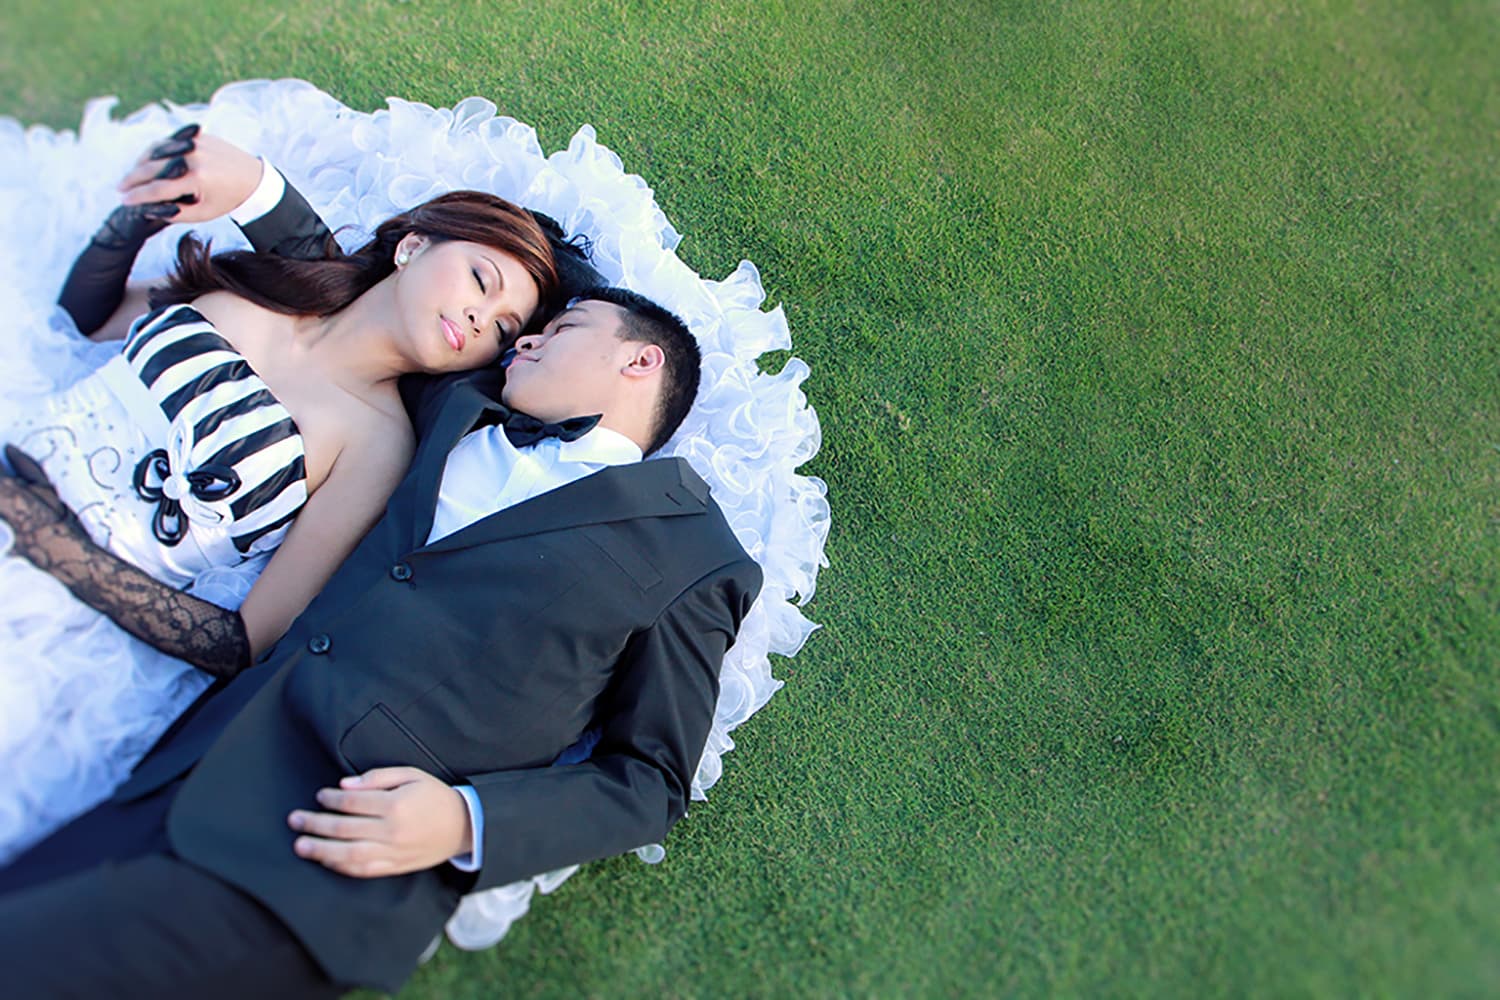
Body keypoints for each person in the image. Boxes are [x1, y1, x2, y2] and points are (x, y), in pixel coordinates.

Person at [0, 141, 763, 997]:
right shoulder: (454, 404)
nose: (517, 342)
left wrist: (463, 820)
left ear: (639, 359)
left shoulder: (696, 556)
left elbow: (651, 781)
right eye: (510, 323)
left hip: (321, 854)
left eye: (548, 330)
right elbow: (363, 297)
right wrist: (254, 185)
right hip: (182, 777)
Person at [0, 128, 564, 864]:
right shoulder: (268, 287)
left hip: (55, 607)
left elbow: (247, 641)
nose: (479, 323)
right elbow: (91, 315)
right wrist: (140, 213)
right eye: (482, 283)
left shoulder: (377, 445)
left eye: (503, 330)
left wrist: (52, 549)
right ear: (413, 246)